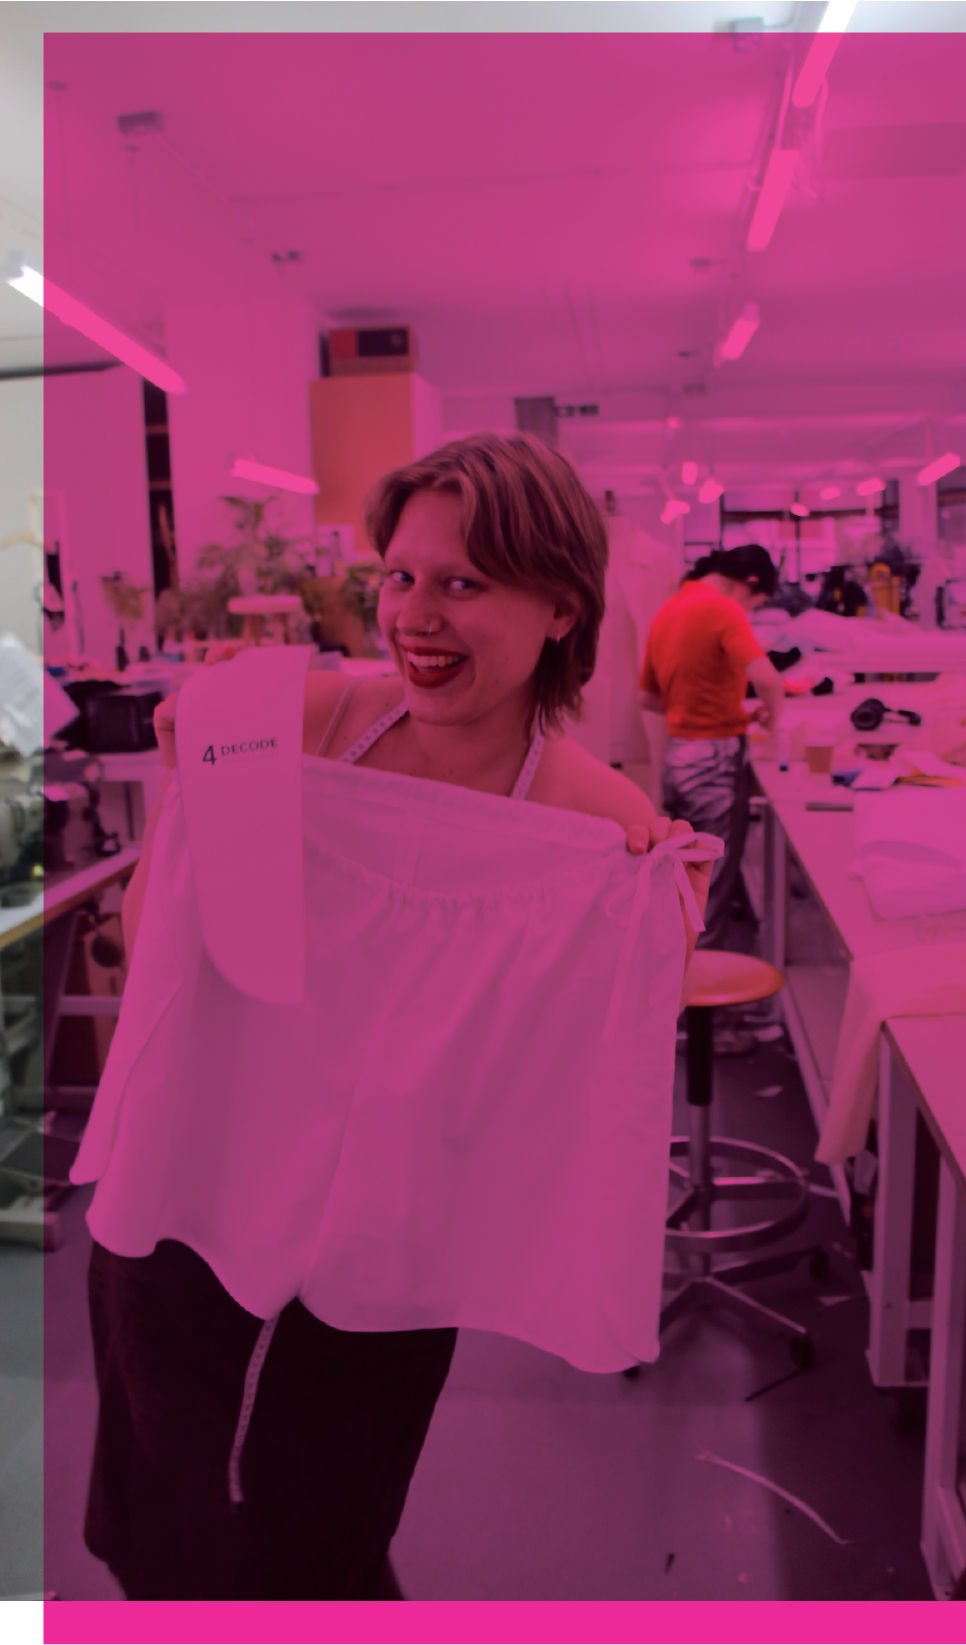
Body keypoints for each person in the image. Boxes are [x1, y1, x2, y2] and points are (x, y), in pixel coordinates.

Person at [84, 433, 712, 1601]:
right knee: (160, 1504)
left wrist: (653, 920)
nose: (415, 617)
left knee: (320, 1523)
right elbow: (161, 917)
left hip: (393, 1216)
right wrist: (196, 789)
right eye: (400, 576)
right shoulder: (306, 721)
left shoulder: (596, 822)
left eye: (463, 582)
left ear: (561, 608)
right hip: (199, 1166)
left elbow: (592, 1050)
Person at [639, 544, 784, 953]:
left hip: (677, 759)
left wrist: (719, 711)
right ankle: (704, 982)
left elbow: (648, 697)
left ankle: (678, 974)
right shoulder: (722, 609)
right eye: (756, 604)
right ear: (748, 584)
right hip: (714, 764)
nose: (750, 612)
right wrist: (772, 722)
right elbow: (768, 680)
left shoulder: (669, 609)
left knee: (683, 881)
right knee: (709, 892)